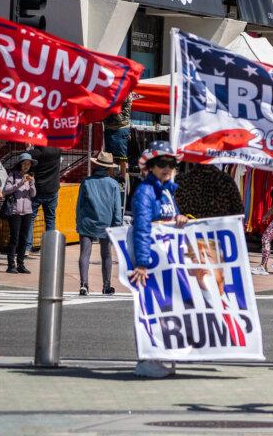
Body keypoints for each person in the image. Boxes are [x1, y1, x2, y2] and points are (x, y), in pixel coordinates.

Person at [129, 141, 189, 378]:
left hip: (165, 260)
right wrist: (142, 263)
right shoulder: (145, 192)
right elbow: (142, 228)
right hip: (151, 261)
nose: (167, 168)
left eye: (171, 164)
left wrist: (180, 218)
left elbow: (170, 217)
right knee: (150, 309)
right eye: (162, 163)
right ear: (151, 166)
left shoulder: (166, 190)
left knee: (167, 308)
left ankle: (163, 357)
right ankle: (148, 360)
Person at [76, 151, 124, 296]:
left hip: (87, 221)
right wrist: (117, 225)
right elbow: (117, 208)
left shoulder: (86, 182)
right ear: (109, 167)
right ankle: (106, 286)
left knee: (85, 253)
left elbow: (79, 205)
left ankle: (84, 284)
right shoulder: (113, 184)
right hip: (106, 223)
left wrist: (78, 221)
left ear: (96, 165)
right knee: (106, 255)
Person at [2, 153, 37, 274]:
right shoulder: (13, 175)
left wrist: (31, 183)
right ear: (20, 164)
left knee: (24, 239)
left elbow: (33, 194)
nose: (27, 166)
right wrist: (20, 183)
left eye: (29, 164)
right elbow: (6, 190)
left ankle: (21, 264)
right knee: (14, 238)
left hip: (27, 211)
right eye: (25, 163)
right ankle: (11, 265)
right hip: (15, 211)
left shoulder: (31, 177)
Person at [29, 145, 62, 249]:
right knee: (50, 219)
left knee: (30, 219)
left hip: (37, 190)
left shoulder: (35, 153)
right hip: (52, 189)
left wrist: (28, 149)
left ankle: (27, 247)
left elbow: (26, 162)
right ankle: (51, 247)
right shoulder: (57, 150)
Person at [103, 94, 133, 184]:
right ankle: (111, 178)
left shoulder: (124, 92)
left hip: (121, 126)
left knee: (122, 155)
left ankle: (123, 179)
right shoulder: (111, 92)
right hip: (110, 126)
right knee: (109, 155)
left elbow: (119, 102)